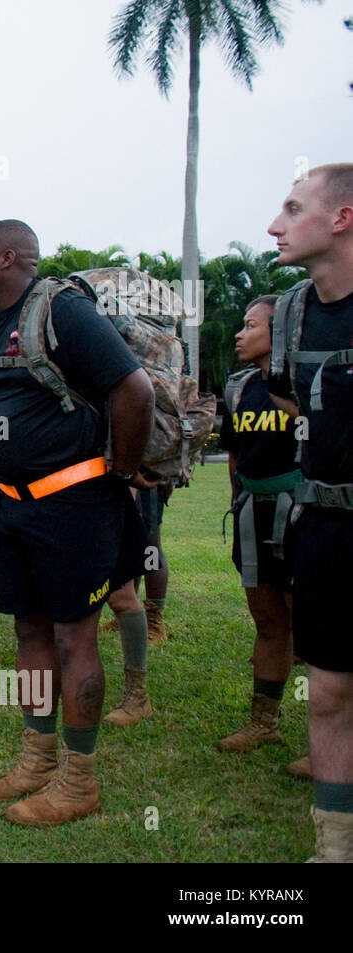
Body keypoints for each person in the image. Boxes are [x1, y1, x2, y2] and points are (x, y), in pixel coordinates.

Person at [0, 221, 154, 826]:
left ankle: (79, 780)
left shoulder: (62, 310)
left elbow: (135, 388)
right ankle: (36, 760)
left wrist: (120, 474)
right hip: (13, 507)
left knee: (74, 639)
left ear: (8, 258)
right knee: (29, 633)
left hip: (75, 507)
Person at [264, 163, 353, 861]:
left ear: (342, 218)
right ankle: (334, 844)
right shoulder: (292, 312)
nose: (275, 225)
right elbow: (297, 396)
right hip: (325, 523)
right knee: (326, 689)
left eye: (293, 208)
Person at [216, 295, 303, 759]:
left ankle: (327, 738)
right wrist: (239, 498)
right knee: (268, 622)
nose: (239, 333)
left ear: (281, 333)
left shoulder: (310, 385)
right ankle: (263, 722)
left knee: (313, 630)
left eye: (250, 325)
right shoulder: (238, 389)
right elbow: (233, 453)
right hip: (254, 512)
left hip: (303, 514)